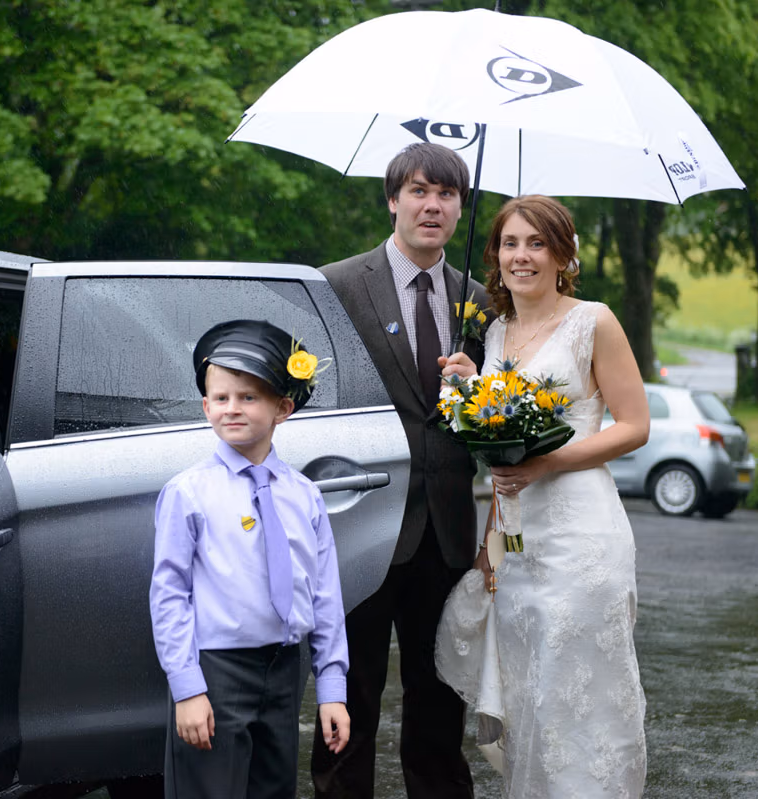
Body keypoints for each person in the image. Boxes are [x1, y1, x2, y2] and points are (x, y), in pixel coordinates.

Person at [436, 194, 650, 797]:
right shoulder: (496, 330)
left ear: (563, 255)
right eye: (509, 243)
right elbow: (505, 440)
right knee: (532, 693)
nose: (521, 256)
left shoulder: (594, 320)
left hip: (581, 532)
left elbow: (634, 426)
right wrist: (468, 386)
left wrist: (544, 463)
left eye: (536, 243)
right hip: (519, 541)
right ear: (495, 255)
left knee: (579, 690)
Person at [312, 142, 490, 799]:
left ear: (460, 207)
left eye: (446, 195)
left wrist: (477, 388)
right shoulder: (335, 283)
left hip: (445, 531)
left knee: (441, 693)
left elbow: (497, 414)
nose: (432, 205)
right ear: (392, 199)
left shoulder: (480, 300)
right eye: (418, 190)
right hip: (361, 521)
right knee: (349, 688)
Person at [149, 319, 350, 799]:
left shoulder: (303, 495)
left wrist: (332, 688)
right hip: (217, 671)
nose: (232, 409)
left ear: (284, 407)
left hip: (283, 669)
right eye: (221, 398)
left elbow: (324, 594)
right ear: (205, 406)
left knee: (274, 789)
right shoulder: (188, 493)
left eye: (248, 397)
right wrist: (187, 687)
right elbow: (169, 594)